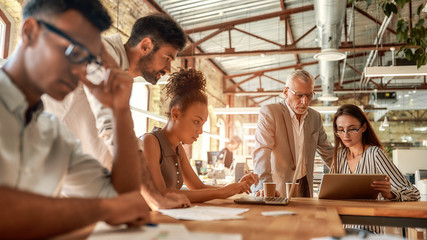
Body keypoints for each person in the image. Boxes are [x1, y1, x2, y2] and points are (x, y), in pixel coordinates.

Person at [0, 0, 151, 239]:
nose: (80, 72)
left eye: (89, 61)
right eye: (75, 52)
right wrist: (103, 209)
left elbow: (124, 200)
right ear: (29, 32)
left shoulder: (52, 134)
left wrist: (120, 111)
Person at [42, 14, 190, 210]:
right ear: (145, 46)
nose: (169, 69)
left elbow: (121, 133)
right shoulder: (101, 54)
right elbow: (114, 130)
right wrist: (154, 198)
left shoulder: (120, 74)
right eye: (167, 58)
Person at [140, 68, 259, 203]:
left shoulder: (178, 148)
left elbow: (198, 187)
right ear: (176, 114)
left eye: (203, 124)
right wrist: (223, 192)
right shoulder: (150, 141)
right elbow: (160, 193)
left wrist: (235, 187)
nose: (201, 131)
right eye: (196, 122)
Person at [331, 104, 420, 233]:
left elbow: (413, 193)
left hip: (368, 231)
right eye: (341, 130)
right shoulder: (339, 156)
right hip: (342, 230)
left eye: (351, 129)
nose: (345, 135)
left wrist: (390, 194)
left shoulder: (375, 154)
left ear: (364, 128)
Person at [252, 69, 333, 198]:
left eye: (309, 95)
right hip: (278, 188)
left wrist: (352, 176)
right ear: (285, 92)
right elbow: (262, 153)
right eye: (299, 95)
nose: (305, 101)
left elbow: (328, 152)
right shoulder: (270, 113)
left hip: (305, 186)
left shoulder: (315, 117)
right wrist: (265, 188)